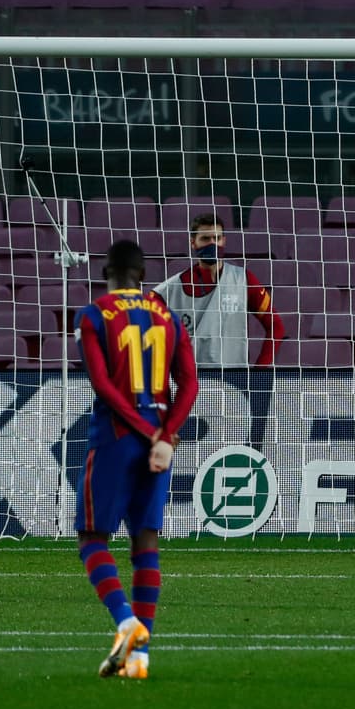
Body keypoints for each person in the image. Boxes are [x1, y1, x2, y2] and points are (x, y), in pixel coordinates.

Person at [75, 239, 200, 680]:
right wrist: (166, 434)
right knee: (146, 541)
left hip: (116, 435)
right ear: (143, 275)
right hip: (158, 436)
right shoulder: (168, 315)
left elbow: (103, 386)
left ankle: (127, 624)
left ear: (106, 271)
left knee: (92, 537)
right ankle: (141, 659)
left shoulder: (93, 314)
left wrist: (145, 431)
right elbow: (189, 383)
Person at [154, 212, 284, 367]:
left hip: (234, 379)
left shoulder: (244, 280)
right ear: (192, 243)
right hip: (191, 380)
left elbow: (276, 327)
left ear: (224, 241)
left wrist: (259, 371)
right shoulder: (168, 289)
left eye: (217, 238)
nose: (212, 244)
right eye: (205, 239)